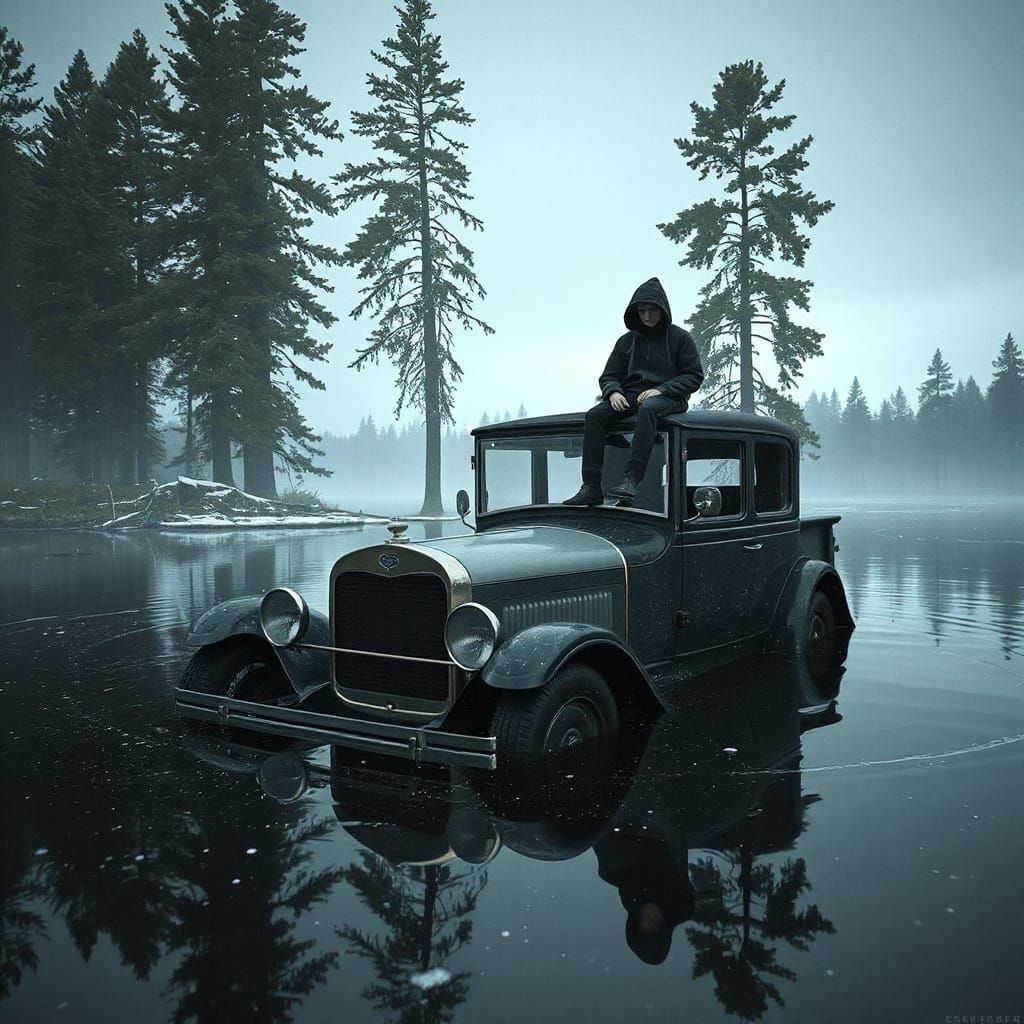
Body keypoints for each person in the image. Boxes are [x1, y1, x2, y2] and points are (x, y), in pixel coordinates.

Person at [564, 277, 704, 505]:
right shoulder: (626, 342)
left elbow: (694, 376)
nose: (647, 316)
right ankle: (591, 487)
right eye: (641, 311)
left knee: (648, 409)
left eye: (651, 310)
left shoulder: (680, 339)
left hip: (670, 398)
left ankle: (631, 479)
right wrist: (613, 392)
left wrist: (662, 389)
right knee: (595, 415)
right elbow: (609, 375)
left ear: (662, 309)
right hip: (629, 395)